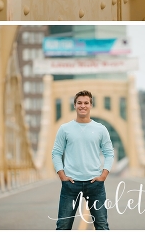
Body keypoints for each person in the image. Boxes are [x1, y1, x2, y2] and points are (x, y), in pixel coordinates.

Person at [51, 90, 113, 230]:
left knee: (102, 226)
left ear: (91, 105)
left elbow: (109, 153)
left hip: (95, 185)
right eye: (79, 103)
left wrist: (103, 175)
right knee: (63, 226)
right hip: (71, 185)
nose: (82, 106)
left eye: (86, 103)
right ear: (74, 105)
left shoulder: (100, 129)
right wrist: (62, 175)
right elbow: (56, 153)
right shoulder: (64, 129)